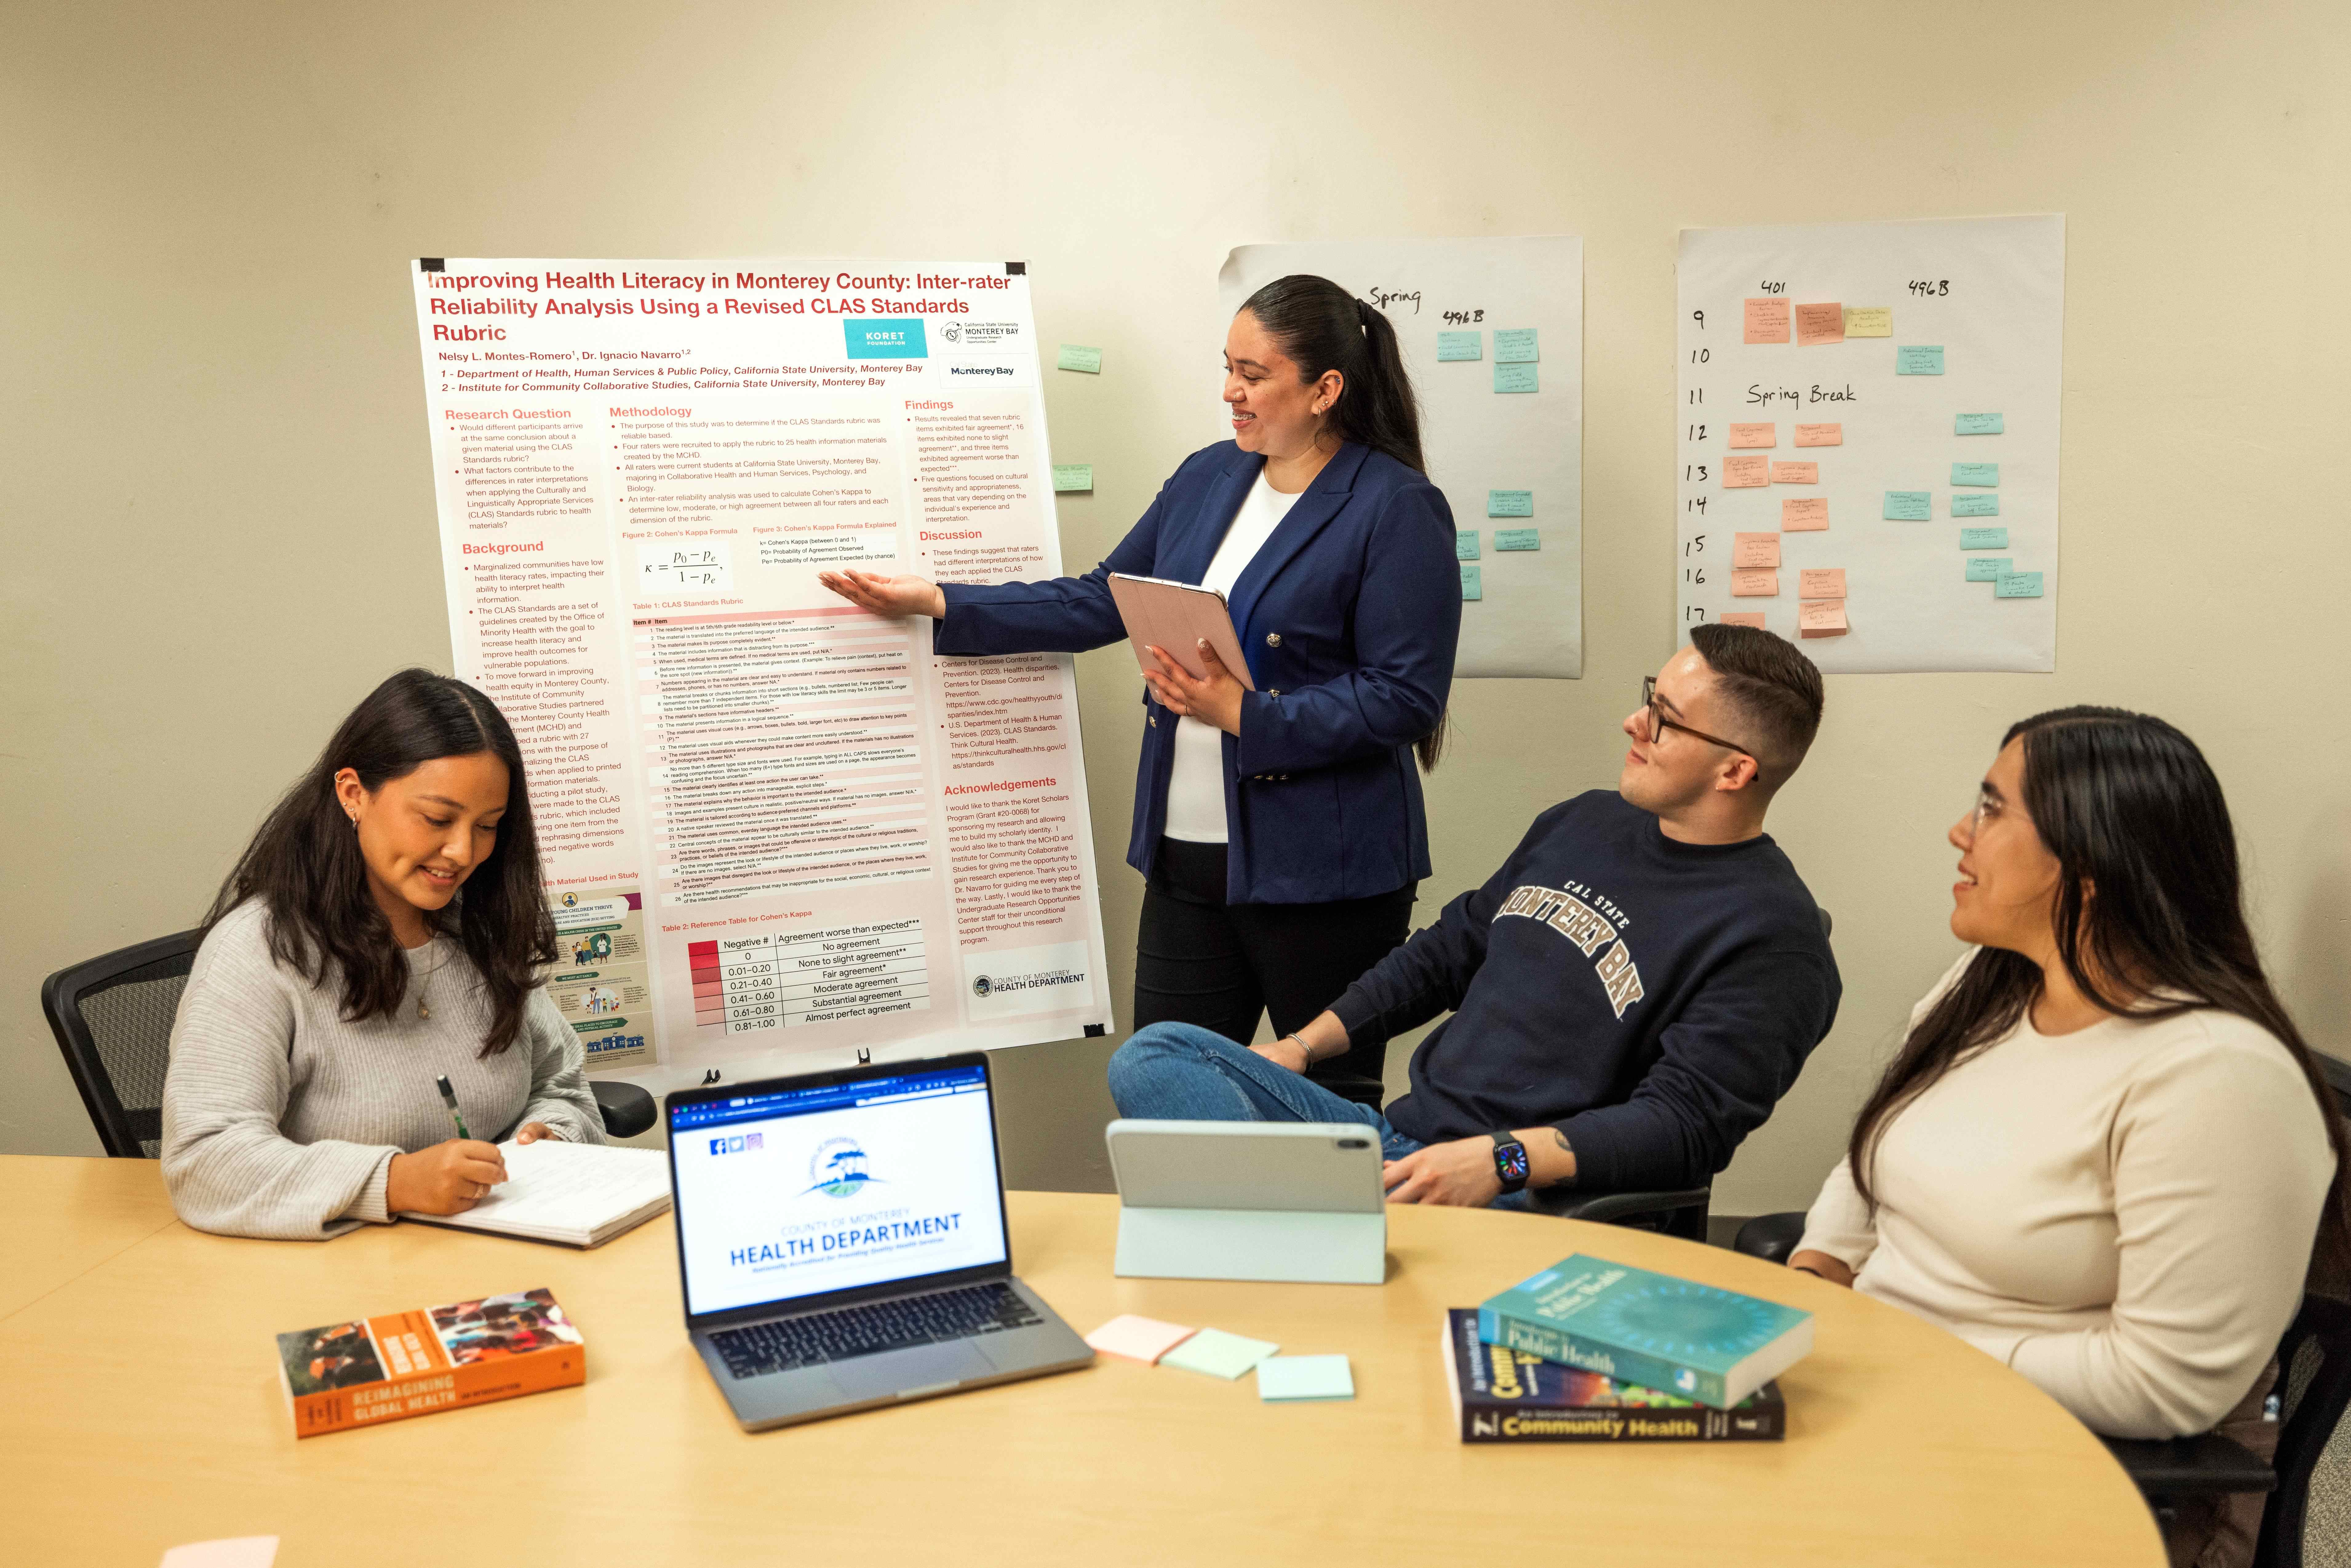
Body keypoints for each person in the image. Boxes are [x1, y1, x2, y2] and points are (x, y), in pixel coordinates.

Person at [820, 275, 1459, 1105]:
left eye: (1253, 374)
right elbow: (1099, 598)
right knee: (1164, 1093)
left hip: (1327, 878)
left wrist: (1245, 715)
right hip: (1184, 859)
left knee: (1324, 1114)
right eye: (1226, 367)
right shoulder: (1207, 478)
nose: (1229, 391)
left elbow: (1404, 697)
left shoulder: (1394, 507)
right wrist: (942, 602)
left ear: (1324, 390)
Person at [1788, 707, 2349, 1568]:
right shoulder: (1987, 987)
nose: (1957, 831)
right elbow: (1872, 1162)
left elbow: (2166, 1383)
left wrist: (1886, 1349)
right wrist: (1820, 1271)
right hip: (1890, 1401)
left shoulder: (2216, 1078)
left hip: (2072, 1471)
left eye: (1990, 807)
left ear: (2086, 867)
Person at [1107, 623, 1839, 1208]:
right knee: (1159, 1054)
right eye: (1650, 697)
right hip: (1397, 1145)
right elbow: (1446, 952)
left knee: (1209, 1181)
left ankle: (1308, 1219)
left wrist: (1501, 1159)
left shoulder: (1774, 938)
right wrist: (1299, 1048)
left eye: (1665, 718)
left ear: (1735, 770)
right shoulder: (1586, 821)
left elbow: (1685, 1127)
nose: (1634, 722)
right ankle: (1323, 1213)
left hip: (1518, 1195)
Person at [162, 669, 604, 1241]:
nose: (464, 852)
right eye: (438, 819)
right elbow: (205, 1158)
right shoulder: (259, 950)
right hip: (335, 1275)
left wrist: (553, 1137)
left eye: (488, 826)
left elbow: (561, 1083)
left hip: (495, 1252)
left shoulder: (479, 928)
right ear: (353, 794)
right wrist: (392, 1181)